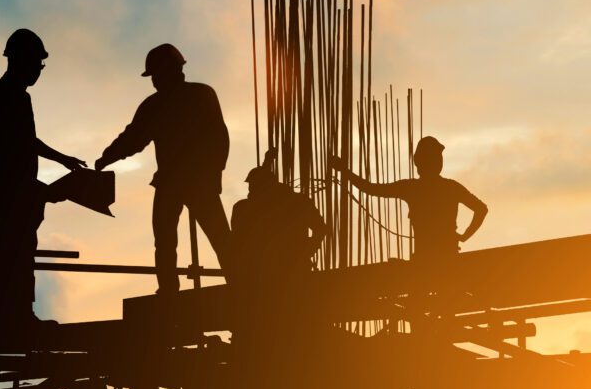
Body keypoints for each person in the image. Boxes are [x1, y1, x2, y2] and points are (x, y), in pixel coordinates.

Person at [95, 44, 231, 295]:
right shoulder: (188, 97)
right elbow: (133, 138)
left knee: (197, 238)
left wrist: (213, 175)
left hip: (188, 182)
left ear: (170, 71)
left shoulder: (177, 100)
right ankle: (230, 283)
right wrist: (107, 157)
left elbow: (218, 137)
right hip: (183, 182)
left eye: (156, 75)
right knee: (186, 239)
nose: (154, 81)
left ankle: (176, 290)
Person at [0, 29, 86, 333]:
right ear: (20, 60)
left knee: (21, 252)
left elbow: (26, 142)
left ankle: (20, 315)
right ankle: (6, 318)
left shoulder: (16, 95)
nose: (39, 70)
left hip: (13, 192)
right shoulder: (5, 95)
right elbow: (11, 149)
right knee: (10, 253)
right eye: (37, 63)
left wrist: (61, 162)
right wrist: (40, 188)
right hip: (2, 193)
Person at [330, 136, 488, 268]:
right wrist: (465, 236)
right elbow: (481, 209)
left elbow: (371, 189)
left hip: (424, 261)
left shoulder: (412, 188)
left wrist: (345, 171)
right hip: (446, 259)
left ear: (419, 163)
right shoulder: (450, 187)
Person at [231, 148, 328, 280]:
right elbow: (321, 229)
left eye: (253, 186)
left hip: (265, 272)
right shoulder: (298, 202)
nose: (250, 190)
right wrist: (306, 252)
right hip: (284, 268)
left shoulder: (244, 208)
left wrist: (305, 251)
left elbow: (237, 242)